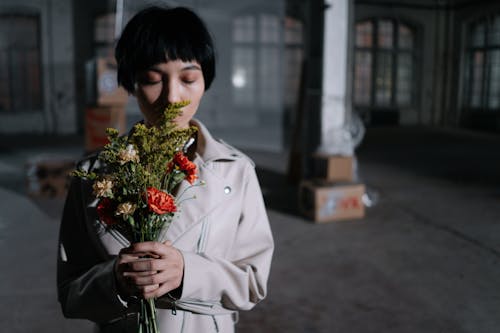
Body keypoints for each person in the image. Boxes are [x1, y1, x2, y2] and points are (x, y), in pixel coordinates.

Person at [57, 6, 274, 333]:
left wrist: (189, 272)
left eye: (188, 78)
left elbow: (253, 283)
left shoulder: (236, 171)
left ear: (205, 81)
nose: (173, 97)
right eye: (152, 79)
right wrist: (114, 281)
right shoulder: (93, 175)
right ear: (130, 83)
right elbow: (70, 294)